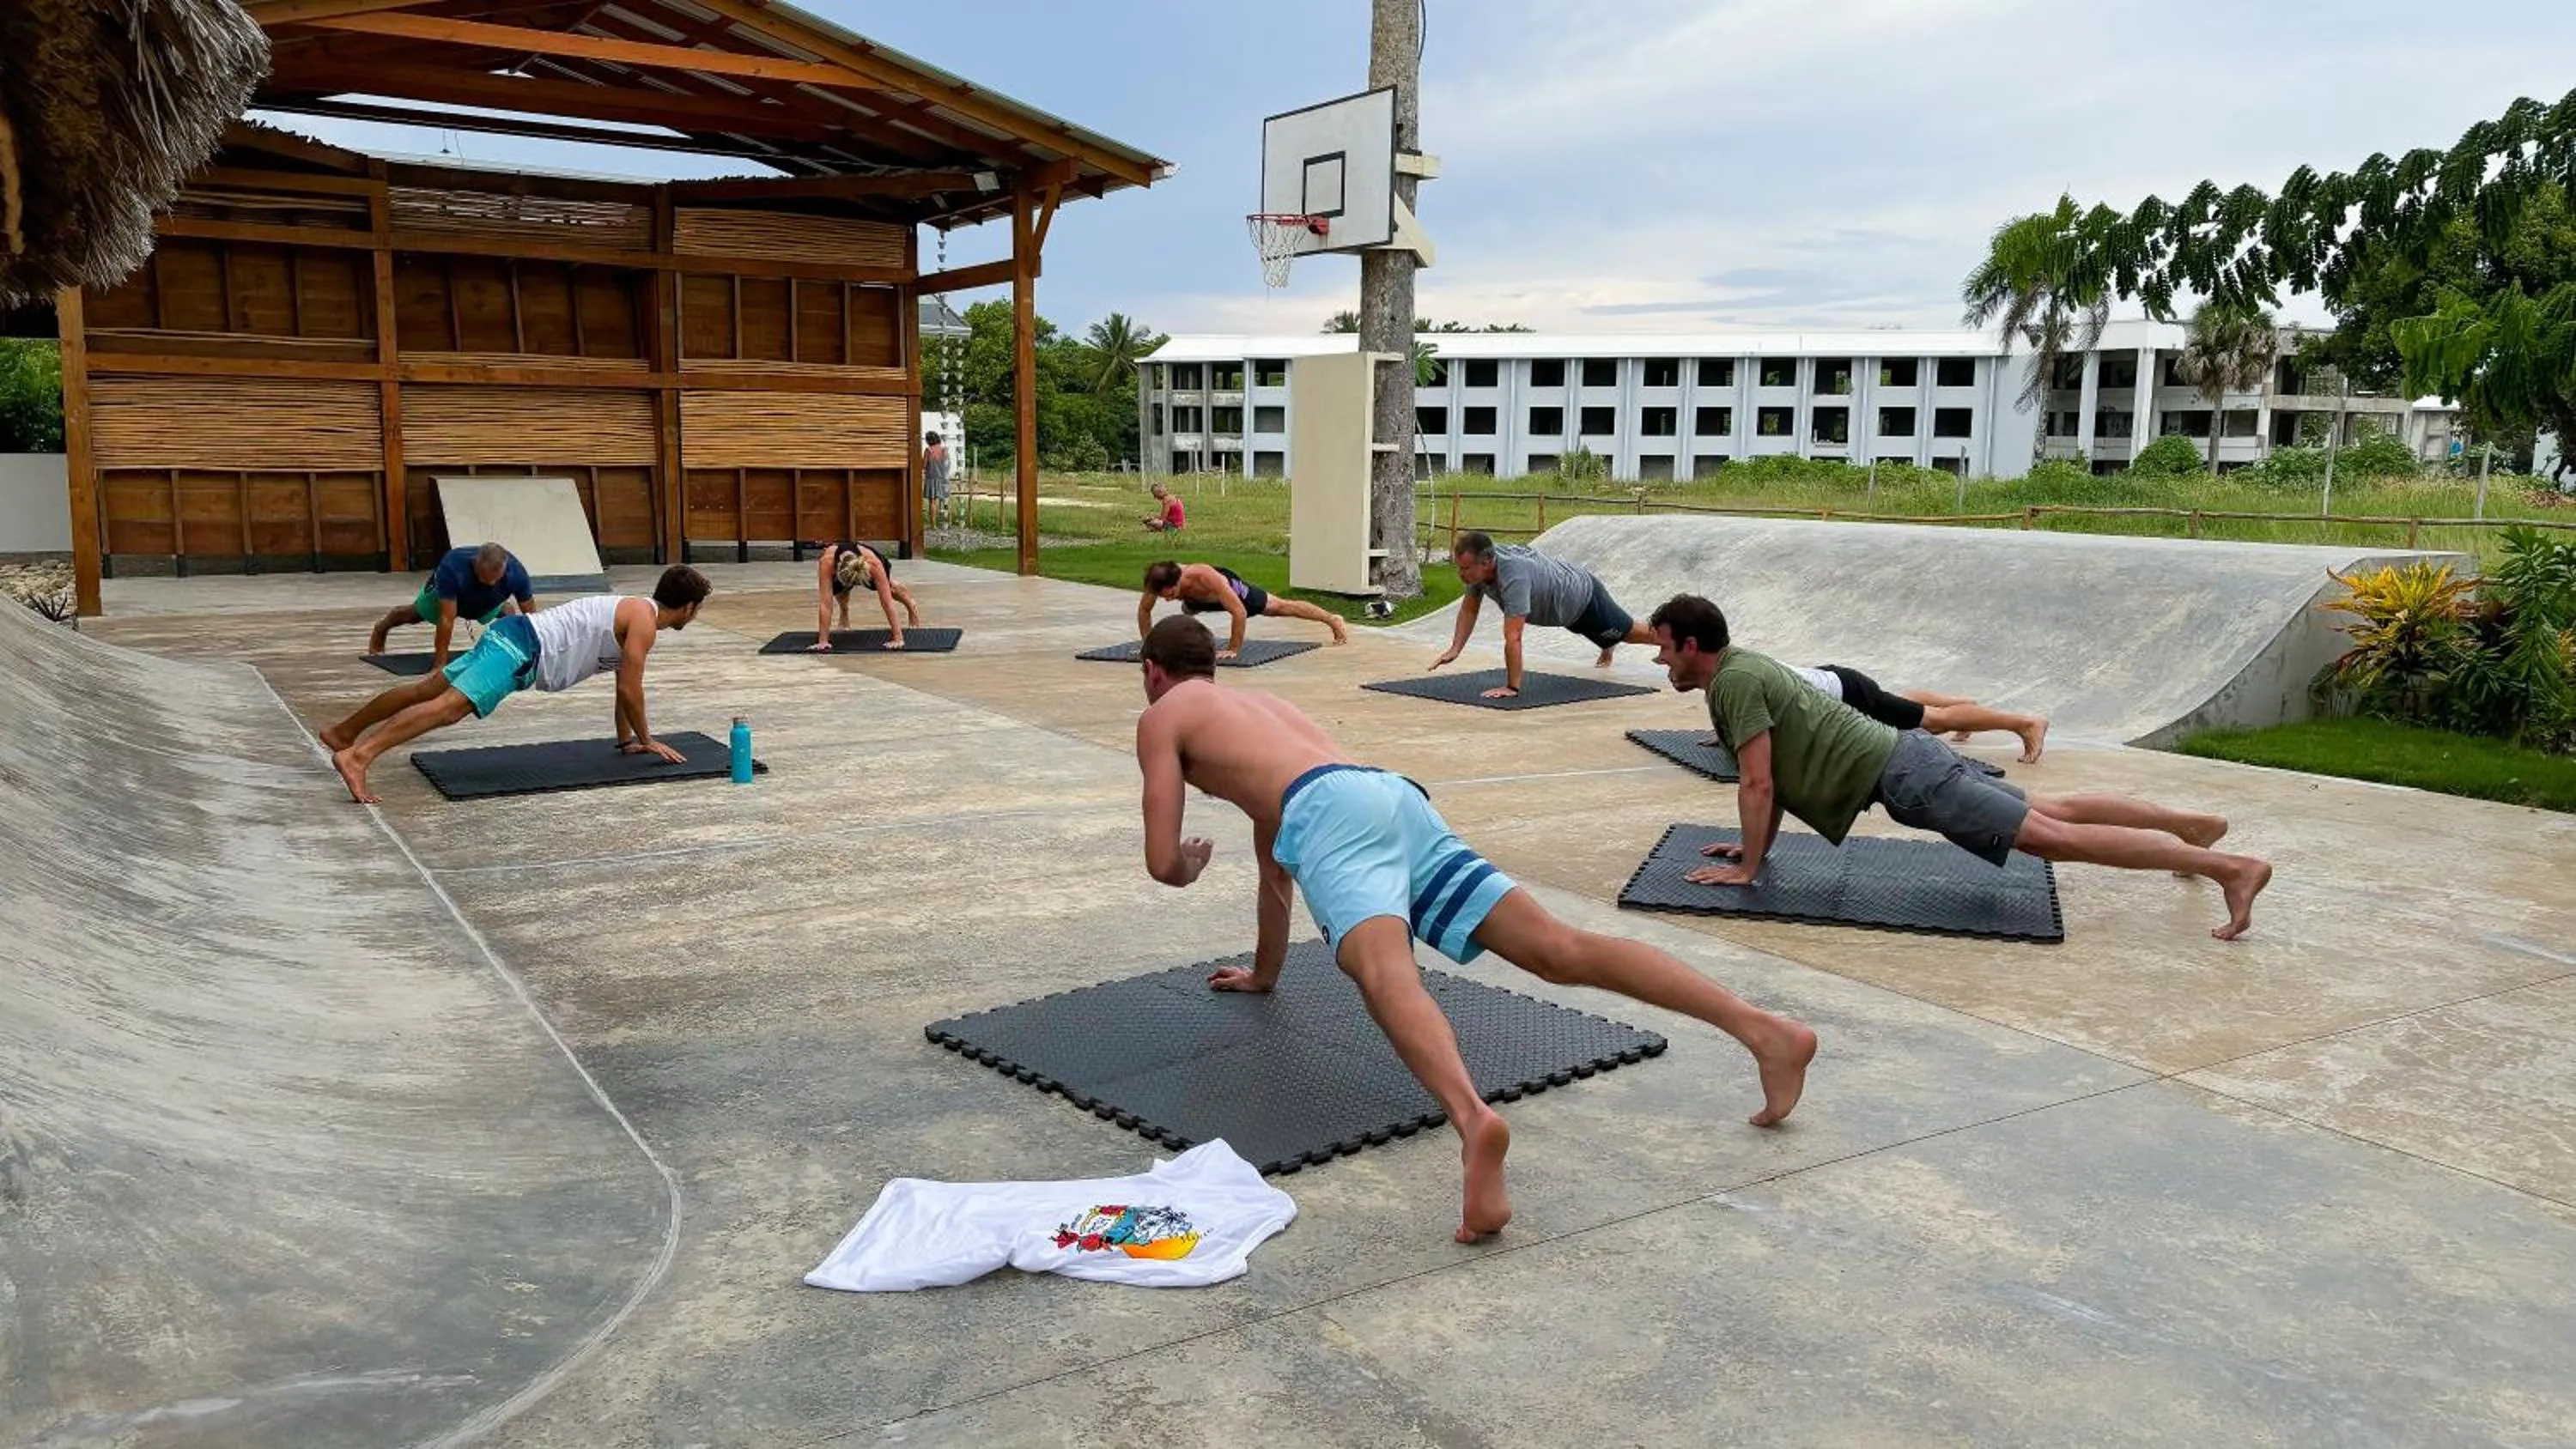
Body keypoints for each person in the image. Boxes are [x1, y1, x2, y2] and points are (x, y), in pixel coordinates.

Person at [1132, 614, 1816, 1244]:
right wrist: (1265, 974)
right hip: (1387, 795)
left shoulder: (1164, 716)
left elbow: (1164, 862)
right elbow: (1274, 863)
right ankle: (1765, 1030)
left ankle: (1473, 1120)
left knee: (1382, 972)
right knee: (1559, 948)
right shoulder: (1262, 712)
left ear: (1152, 670)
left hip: (1331, 815)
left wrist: (1186, 866)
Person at [1645, 594, 2272, 940]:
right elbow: (1774, 775)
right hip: (1908, 760)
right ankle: (2193, 826)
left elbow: (1758, 781)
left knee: (2053, 839)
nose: (1661, 659)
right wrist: (1755, 850)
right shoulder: (1743, 669)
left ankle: (2228, 868)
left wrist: (1752, 867)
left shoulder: (1733, 685)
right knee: (2053, 812)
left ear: (1692, 646)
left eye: (1665, 647)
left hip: (1909, 776)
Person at [319, 566, 712, 804]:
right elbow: (630, 691)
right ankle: (358, 755)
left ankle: (344, 732)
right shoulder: (644, 621)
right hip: (521, 647)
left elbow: (621, 687)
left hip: (512, 632)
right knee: (450, 708)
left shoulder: (635, 610)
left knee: (428, 691)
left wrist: (627, 740)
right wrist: (648, 738)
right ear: (690, 608)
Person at [1431, 530, 1657, 699]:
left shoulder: (1514, 577)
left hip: (1584, 599)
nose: (1461, 574)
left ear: (1488, 561)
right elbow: (1469, 608)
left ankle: (1679, 637)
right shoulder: (1479, 571)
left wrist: (1512, 687)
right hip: (1565, 611)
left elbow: (1514, 636)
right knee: (1605, 634)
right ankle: (1607, 643)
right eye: (1459, 568)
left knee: (1630, 633)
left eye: (1466, 568)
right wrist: (1455, 648)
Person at [1699, 663, 2048, 764]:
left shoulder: (1728, 676)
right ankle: (1966, 706)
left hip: (1847, 694)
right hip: (1836, 682)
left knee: (1929, 722)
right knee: (1902, 704)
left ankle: (2023, 722)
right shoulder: (1727, 665)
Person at [366, 541, 537, 672]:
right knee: (414, 615)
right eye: (484, 578)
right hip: (453, 595)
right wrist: (440, 665)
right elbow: (447, 619)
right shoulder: (453, 565)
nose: (490, 582)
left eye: (495, 579)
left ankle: (506, 628)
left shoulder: (517, 574)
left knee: (508, 614)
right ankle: (382, 628)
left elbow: (533, 619)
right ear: (474, 563)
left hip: (488, 600)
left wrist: (535, 657)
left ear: (504, 570)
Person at [1139, 561, 1348, 658]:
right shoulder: (1156, 583)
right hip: (1198, 599)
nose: (1166, 601)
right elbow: (1144, 612)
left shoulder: (1205, 576)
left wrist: (1233, 648)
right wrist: (1148, 644)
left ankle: (1332, 620)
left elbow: (1239, 612)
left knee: (1278, 607)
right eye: (1163, 597)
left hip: (1226, 591)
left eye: (1170, 596)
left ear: (1178, 581)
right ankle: (1191, 605)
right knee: (1187, 609)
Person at [810, 538, 923, 652]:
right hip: (845, 567)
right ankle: (844, 614)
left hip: (869, 563)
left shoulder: (874, 564)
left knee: (890, 588)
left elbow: (887, 604)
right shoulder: (827, 562)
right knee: (839, 590)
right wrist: (823, 641)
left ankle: (911, 606)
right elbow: (826, 604)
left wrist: (898, 638)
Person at [923, 431, 952, 529]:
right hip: (943, 479)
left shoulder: (928, 450)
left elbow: (923, 466)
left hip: (931, 478)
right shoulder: (944, 450)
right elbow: (948, 465)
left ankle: (933, 525)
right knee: (945, 500)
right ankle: (946, 523)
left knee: (933, 502)